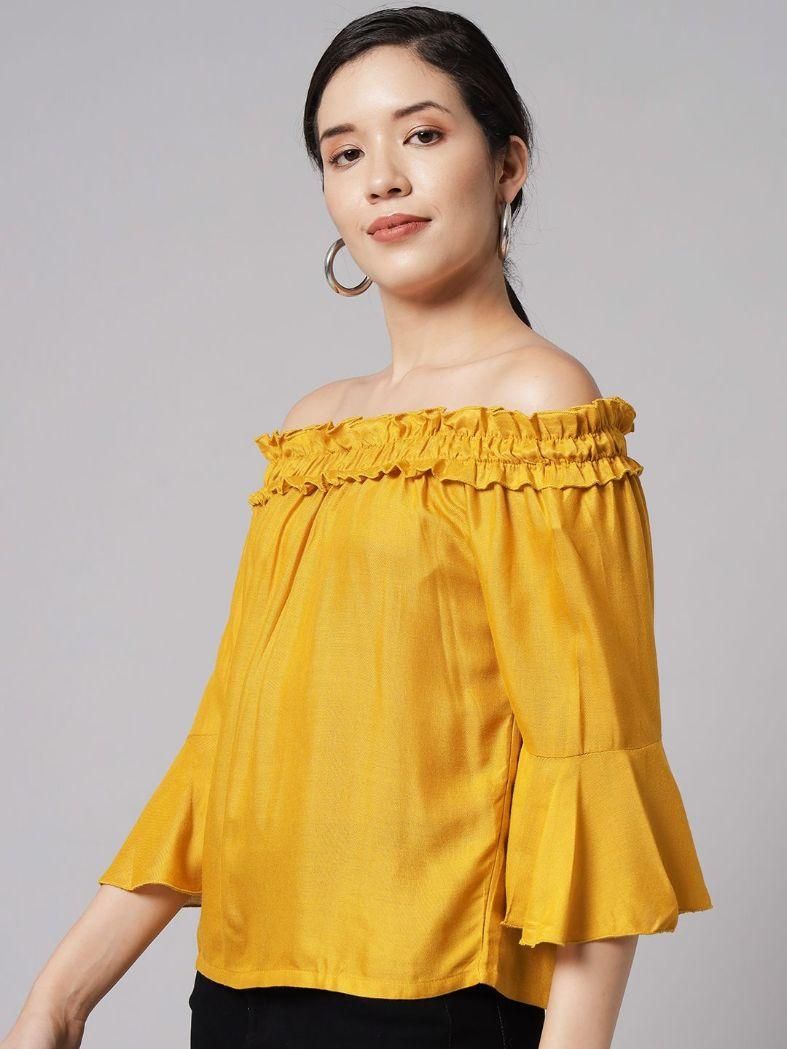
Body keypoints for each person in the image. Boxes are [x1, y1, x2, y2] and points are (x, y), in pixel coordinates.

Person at [2, 7, 713, 1049]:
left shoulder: (540, 407)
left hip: (434, 998)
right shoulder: (311, 431)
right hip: (237, 986)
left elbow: (590, 763)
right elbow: (226, 749)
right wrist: (58, 997)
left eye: (421, 134)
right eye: (345, 152)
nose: (382, 177)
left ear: (507, 163)